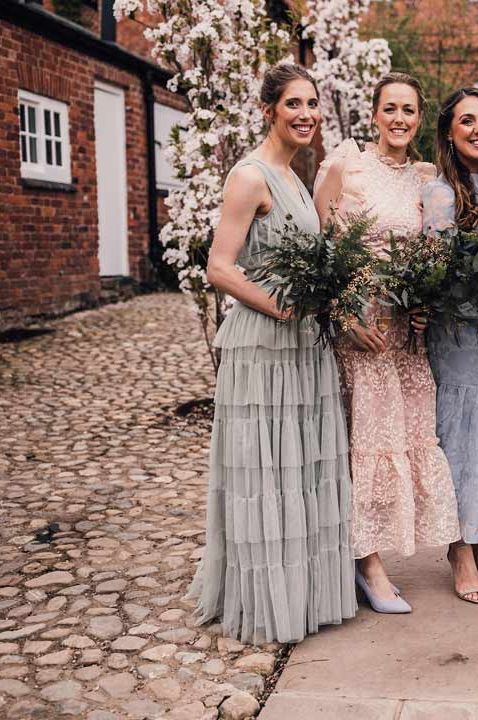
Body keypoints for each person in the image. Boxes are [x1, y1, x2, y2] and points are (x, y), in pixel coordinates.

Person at [187, 63, 357, 645]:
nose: (306, 113)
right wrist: (280, 307)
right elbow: (219, 267)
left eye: (313, 103)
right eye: (293, 104)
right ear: (268, 110)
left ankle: (304, 591)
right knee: (269, 469)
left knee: (299, 469)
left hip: (306, 346)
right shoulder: (250, 177)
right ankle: (267, 601)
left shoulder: (295, 178)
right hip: (265, 344)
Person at [313, 72, 460, 614]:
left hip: (406, 334)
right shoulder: (344, 166)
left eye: (410, 111)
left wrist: (425, 299)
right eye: (390, 108)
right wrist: (343, 313)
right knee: (367, 444)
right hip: (362, 330)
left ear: (420, 120)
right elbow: (320, 253)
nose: (400, 119)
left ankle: (373, 556)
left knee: (407, 437)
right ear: (373, 113)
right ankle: (368, 564)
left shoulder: (426, 178)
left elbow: (435, 252)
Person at [422, 87, 478, 604]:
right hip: (460, 330)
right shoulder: (443, 194)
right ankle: (460, 546)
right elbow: (437, 274)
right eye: (467, 120)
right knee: (459, 433)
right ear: (449, 132)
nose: (477, 128)